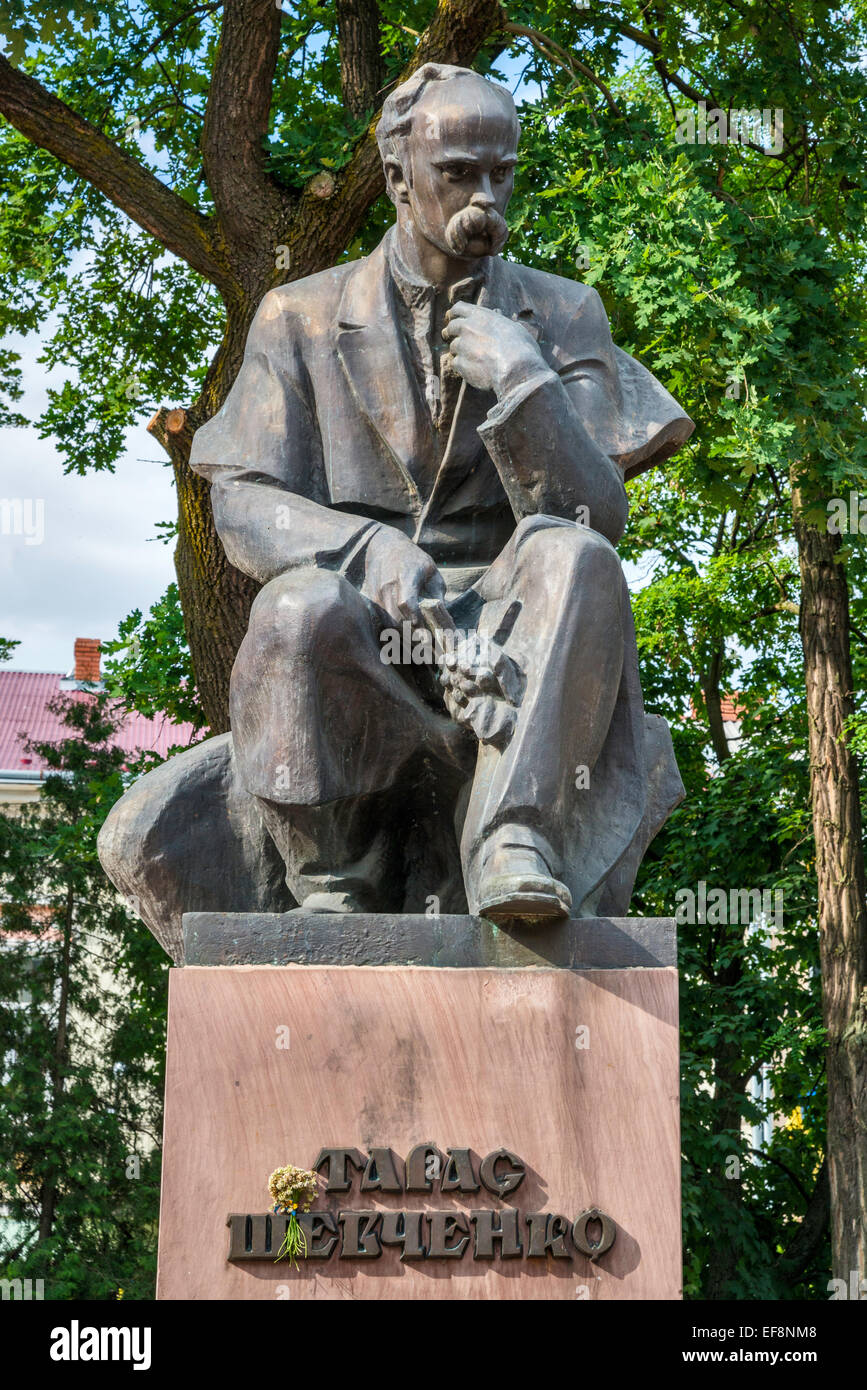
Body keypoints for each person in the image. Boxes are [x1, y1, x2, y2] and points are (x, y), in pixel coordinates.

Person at [188, 63, 693, 924]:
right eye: (458, 171)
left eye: (501, 172)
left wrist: (526, 381)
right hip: (362, 631)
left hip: (510, 629)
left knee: (575, 557)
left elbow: (594, 515)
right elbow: (240, 495)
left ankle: (513, 838)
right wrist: (363, 549)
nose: (484, 196)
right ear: (397, 176)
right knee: (297, 605)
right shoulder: (298, 315)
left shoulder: (565, 314)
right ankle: (332, 880)